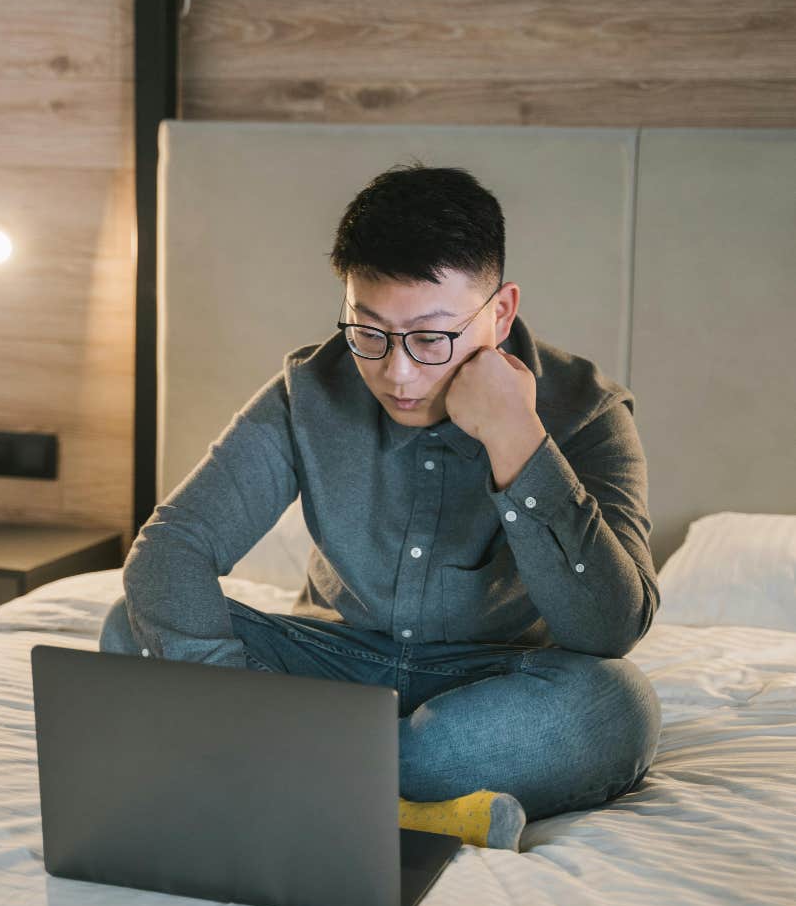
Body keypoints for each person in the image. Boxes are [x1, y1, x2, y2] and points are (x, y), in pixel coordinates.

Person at [100, 162, 663, 852]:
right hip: (331, 663)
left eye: (431, 338)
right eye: (368, 332)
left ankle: (293, 776)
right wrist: (232, 699)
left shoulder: (587, 412)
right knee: (132, 625)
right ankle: (408, 807)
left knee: (615, 707)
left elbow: (609, 627)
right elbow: (171, 548)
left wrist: (518, 440)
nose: (397, 373)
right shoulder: (309, 391)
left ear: (502, 311)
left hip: (492, 684)